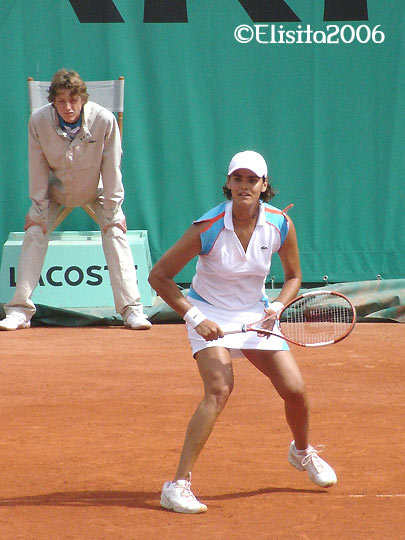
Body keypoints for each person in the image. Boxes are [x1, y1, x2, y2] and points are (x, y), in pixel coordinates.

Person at [148, 150, 337, 514]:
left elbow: (294, 276)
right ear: (229, 183)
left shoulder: (280, 223)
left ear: (264, 186)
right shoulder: (209, 227)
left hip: (256, 315)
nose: (244, 186)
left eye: (253, 180)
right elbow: (159, 275)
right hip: (208, 312)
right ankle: (177, 486)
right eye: (238, 179)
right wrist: (194, 317)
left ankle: (301, 452)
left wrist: (277, 306)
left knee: (295, 391)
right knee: (219, 388)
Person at [0, 69, 151, 331]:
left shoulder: (104, 120)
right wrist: (38, 208)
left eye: (73, 100)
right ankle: (19, 311)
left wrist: (114, 209)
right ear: (52, 102)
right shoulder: (38, 121)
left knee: (115, 231)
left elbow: (112, 167)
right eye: (61, 101)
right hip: (55, 192)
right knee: (34, 230)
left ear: (83, 100)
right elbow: (37, 168)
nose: (68, 107)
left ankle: (132, 310)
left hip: (96, 190)